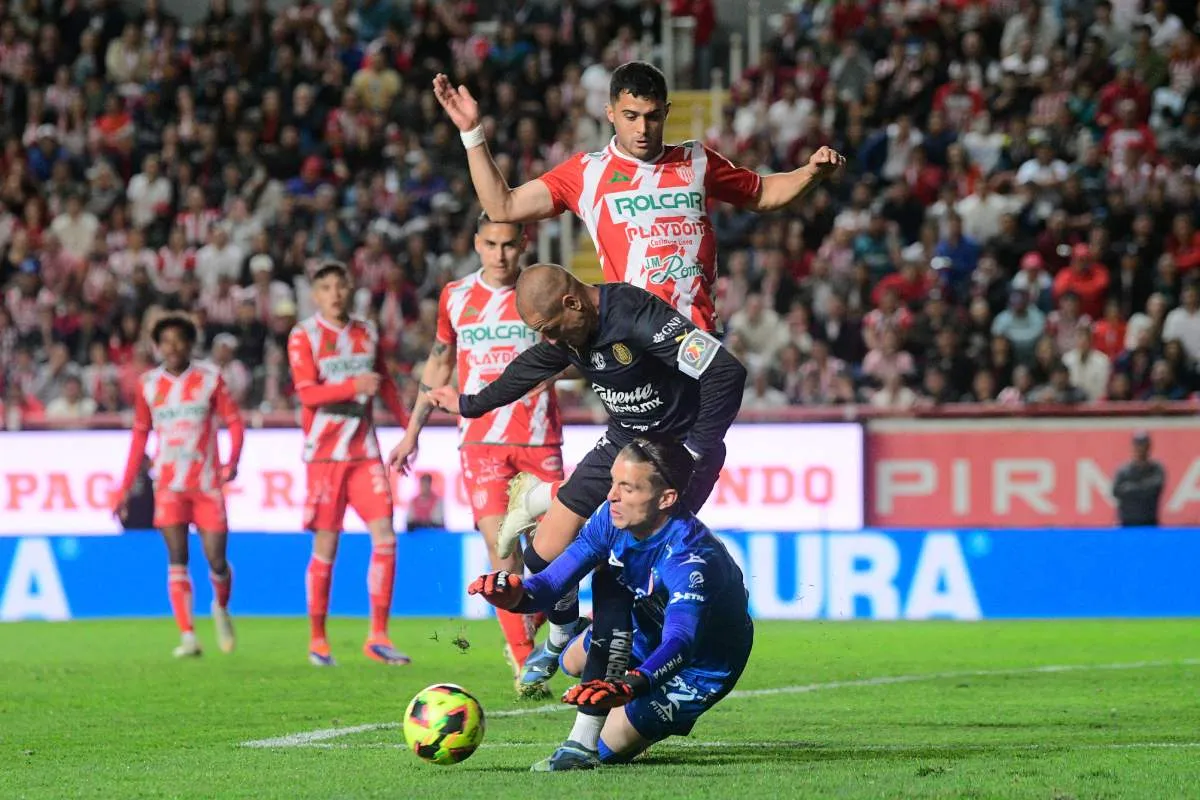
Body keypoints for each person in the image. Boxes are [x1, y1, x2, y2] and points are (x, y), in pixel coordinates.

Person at [428, 263, 745, 739]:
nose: (551, 339)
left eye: (552, 328)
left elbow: (725, 371)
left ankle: (611, 701)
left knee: (618, 569)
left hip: (672, 457)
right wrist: (471, 404)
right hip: (621, 442)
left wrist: (696, 449)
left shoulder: (636, 315)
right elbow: (533, 365)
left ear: (573, 303)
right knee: (542, 555)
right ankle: (561, 633)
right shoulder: (568, 332)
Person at [432, 60, 844, 336]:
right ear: (611, 113)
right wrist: (472, 133)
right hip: (634, 338)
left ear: (666, 112)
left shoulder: (697, 160)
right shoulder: (587, 173)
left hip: (699, 336)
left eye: (652, 116)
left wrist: (810, 173)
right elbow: (502, 206)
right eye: (630, 116)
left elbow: (764, 193)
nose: (642, 129)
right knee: (646, 446)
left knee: (692, 446)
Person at [468, 434, 753, 771]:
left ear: (666, 498)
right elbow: (553, 581)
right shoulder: (611, 517)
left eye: (627, 488)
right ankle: (596, 640)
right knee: (572, 662)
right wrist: (516, 596)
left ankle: (603, 735)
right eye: (613, 482)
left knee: (606, 749)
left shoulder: (690, 560)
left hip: (701, 664)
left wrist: (632, 685)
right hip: (646, 623)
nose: (610, 495)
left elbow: (681, 642)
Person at [387, 214, 565, 686]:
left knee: (553, 551)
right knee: (500, 545)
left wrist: (547, 373)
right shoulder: (456, 296)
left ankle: (533, 618)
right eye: (490, 244)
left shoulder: (541, 291)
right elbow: (439, 363)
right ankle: (525, 663)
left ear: (523, 244)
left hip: (537, 436)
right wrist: (412, 431)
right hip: (480, 440)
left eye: (508, 244)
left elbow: (572, 351)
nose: (499, 254)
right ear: (476, 244)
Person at [286, 261, 411, 667]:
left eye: (341, 286)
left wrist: (408, 429)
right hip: (325, 455)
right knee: (326, 545)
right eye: (326, 287)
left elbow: (384, 383)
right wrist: (352, 386)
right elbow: (307, 394)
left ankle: (378, 636)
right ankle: (318, 641)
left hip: (364, 452)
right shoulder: (303, 335)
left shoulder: (366, 332)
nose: (335, 293)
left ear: (351, 289)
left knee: (386, 537)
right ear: (315, 295)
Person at [113, 314, 244, 658]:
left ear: (190, 344)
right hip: (169, 485)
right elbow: (139, 437)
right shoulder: (148, 384)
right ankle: (188, 636)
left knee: (216, 559)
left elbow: (234, 422)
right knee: (177, 557)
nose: (172, 347)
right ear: (158, 346)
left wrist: (233, 460)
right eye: (166, 341)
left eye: (179, 340)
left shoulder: (209, 379)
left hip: (206, 484)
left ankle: (221, 607)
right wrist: (124, 488)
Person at [1112, 430, 1166, 527]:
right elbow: (1116, 492)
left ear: (1149, 447)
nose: (1140, 449)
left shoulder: (1156, 469)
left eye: (1143, 445)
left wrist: (1131, 489)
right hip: (1127, 524)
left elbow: (1155, 489)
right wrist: (1142, 488)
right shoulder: (1124, 471)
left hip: (1149, 523)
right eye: (1137, 445)